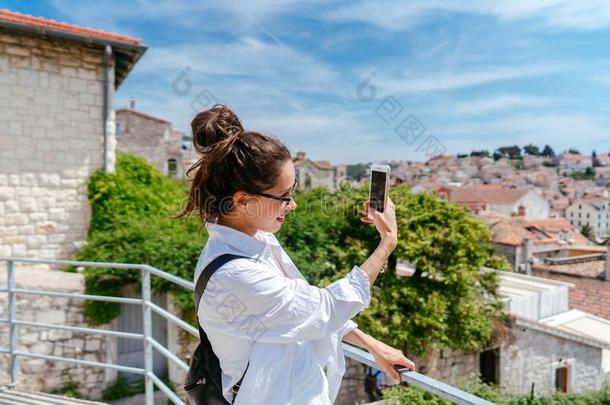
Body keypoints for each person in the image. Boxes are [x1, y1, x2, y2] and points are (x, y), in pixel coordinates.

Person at [178, 104, 415, 405]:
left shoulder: (256, 241)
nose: (293, 205)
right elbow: (324, 308)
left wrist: (372, 346)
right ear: (243, 200)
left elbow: (301, 304)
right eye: (284, 196)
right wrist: (387, 242)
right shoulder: (235, 274)